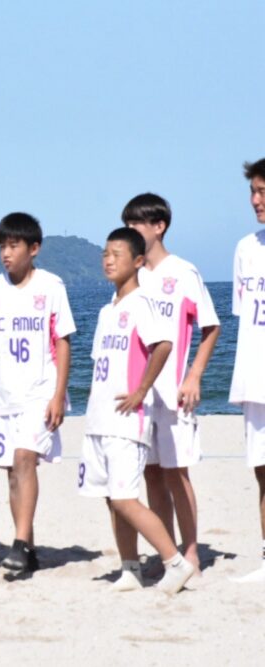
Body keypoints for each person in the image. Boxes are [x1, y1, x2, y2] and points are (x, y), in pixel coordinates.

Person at [78, 227, 195, 594]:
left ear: (138, 261)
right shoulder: (106, 310)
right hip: (99, 418)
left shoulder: (142, 302)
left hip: (128, 422)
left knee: (125, 498)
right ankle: (130, 569)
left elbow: (164, 345)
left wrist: (142, 390)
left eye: (117, 254)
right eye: (105, 253)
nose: (108, 260)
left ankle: (175, 562)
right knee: (112, 499)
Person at [0, 213, 75, 576]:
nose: (6, 253)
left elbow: (63, 342)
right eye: (2, 246)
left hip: (40, 392)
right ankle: (27, 547)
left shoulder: (51, 286)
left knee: (25, 458)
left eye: (13, 246)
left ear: (34, 248)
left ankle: (19, 542)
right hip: (3, 397)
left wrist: (59, 394)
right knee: (12, 472)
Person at [122, 194, 219, 575]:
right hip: (142, 394)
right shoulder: (133, 275)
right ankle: (170, 554)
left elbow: (211, 326)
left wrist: (194, 375)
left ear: (158, 226)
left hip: (174, 391)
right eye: (126, 224)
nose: (130, 230)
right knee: (151, 473)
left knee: (177, 472)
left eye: (136, 224)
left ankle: (191, 551)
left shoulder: (183, 272)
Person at [231, 158, 265, 582]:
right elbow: (244, 314)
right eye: (253, 192)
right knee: (262, 470)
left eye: (263, 192)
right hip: (256, 376)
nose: (256, 200)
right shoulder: (246, 248)